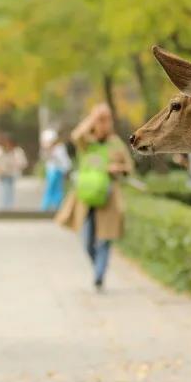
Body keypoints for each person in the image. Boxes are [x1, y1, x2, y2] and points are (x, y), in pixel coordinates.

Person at [56, 104, 134, 290]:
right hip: (86, 196)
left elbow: (129, 168)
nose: (103, 123)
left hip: (108, 197)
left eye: (106, 119)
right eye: (100, 120)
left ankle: (99, 274)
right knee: (87, 241)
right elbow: (76, 136)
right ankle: (98, 266)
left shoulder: (116, 143)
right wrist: (93, 118)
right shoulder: (87, 142)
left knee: (105, 238)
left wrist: (117, 169)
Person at [0, 137, 28, 209]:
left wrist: (15, 165)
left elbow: (23, 163)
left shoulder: (17, 151)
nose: (8, 146)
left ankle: (9, 208)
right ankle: (4, 208)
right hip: (1, 175)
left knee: (10, 192)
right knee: (3, 192)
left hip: (12, 174)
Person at [40, 129, 72, 211]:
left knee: (58, 190)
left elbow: (64, 160)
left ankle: (56, 207)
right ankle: (45, 208)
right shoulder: (47, 150)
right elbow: (44, 158)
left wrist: (66, 169)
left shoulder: (60, 148)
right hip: (51, 170)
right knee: (50, 189)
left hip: (59, 170)